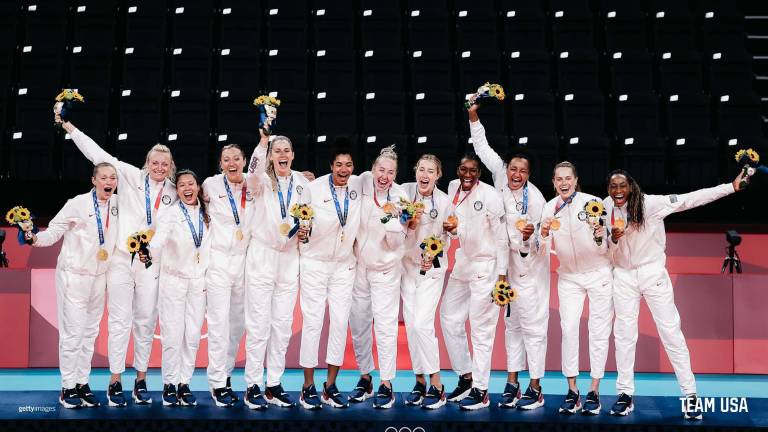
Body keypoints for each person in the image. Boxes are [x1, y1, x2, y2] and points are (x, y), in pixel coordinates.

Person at [604, 169, 745, 420]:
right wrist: (611, 240)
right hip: (623, 277)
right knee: (624, 336)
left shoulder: (651, 204)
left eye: (621, 186)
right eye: (612, 186)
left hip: (652, 274)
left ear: (631, 186)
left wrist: (731, 187)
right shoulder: (604, 208)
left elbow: (690, 198)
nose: (617, 191)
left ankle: (690, 396)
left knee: (671, 334)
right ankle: (625, 395)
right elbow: (601, 246)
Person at [60, 115, 176, 407]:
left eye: (165, 163)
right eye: (155, 162)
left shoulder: (175, 193)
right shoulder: (128, 176)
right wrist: (71, 128)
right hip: (122, 261)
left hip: (151, 264)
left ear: (170, 167)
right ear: (147, 163)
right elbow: (97, 154)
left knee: (146, 322)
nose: (159, 167)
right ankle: (115, 381)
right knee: (119, 322)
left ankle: (141, 380)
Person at [468, 104, 549, 410]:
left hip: (531, 271)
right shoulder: (500, 176)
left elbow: (543, 242)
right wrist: (474, 115)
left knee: (533, 327)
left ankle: (536, 386)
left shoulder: (538, 199)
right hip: (503, 269)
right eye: (513, 169)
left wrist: (530, 239)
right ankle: (512, 382)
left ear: (529, 175)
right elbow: (481, 145)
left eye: (522, 171)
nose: (515, 175)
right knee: (511, 325)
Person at [25, 163, 119, 408]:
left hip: (99, 277)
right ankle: (67, 386)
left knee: (90, 334)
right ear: (94, 181)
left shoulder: (118, 205)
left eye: (113, 178)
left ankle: (81, 382)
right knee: (73, 333)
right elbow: (52, 233)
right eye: (104, 177)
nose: (109, 182)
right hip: (73, 276)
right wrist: (32, 236)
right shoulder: (76, 203)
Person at [241, 132, 310, 409]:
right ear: (271, 156)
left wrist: (307, 230)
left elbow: (310, 214)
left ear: (293, 155)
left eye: (286, 150)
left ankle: (274, 384)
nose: (282, 154)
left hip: (289, 258)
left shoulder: (304, 184)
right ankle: (252, 385)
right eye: (276, 150)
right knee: (258, 326)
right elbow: (252, 170)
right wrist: (261, 143)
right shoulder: (260, 181)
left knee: (282, 326)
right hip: (263, 256)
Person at [537, 161, 612, 415]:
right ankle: (572, 390)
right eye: (559, 179)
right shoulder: (549, 208)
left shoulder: (593, 203)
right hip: (568, 276)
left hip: (598, 273)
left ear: (576, 180)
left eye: (568, 178)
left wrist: (599, 232)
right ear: (554, 182)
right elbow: (542, 249)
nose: (564, 183)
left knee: (598, 331)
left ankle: (594, 390)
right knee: (568, 330)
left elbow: (604, 247)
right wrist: (544, 234)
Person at [298, 140, 364, 410]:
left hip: (344, 266)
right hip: (314, 263)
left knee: (339, 323)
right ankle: (307, 387)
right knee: (313, 322)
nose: (344, 169)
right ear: (330, 166)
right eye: (339, 164)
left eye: (348, 165)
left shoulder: (360, 186)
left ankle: (330, 385)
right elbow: (295, 213)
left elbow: (387, 183)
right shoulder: (312, 189)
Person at [440, 154, 508, 410]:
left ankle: (481, 390)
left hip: (486, 266)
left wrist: (502, 276)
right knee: (449, 317)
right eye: (463, 169)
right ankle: (466, 377)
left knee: (481, 329)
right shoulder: (452, 187)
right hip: (463, 262)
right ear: (457, 169)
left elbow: (501, 238)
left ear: (479, 173)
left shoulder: (491, 196)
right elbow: (457, 224)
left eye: (473, 171)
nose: (467, 174)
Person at [141, 170, 211, 407]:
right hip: (173, 281)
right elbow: (160, 238)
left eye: (191, 183)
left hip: (199, 282)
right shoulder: (169, 213)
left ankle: (185, 384)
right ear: (177, 190)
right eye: (182, 185)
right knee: (172, 335)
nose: (187, 188)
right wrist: (147, 249)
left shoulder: (208, 213)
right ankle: (169, 385)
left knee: (192, 336)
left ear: (198, 186)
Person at [348, 145, 409, 409]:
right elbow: (334, 180)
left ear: (396, 174)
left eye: (391, 172)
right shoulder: (361, 181)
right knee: (359, 324)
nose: (385, 176)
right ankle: (365, 377)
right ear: (372, 169)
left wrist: (392, 220)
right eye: (381, 170)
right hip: (359, 267)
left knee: (385, 328)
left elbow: (397, 243)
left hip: (386, 270)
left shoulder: (401, 197)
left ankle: (386, 383)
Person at [201, 144, 254, 406]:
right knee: (219, 325)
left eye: (236, 158)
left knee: (237, 326)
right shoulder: (210, 185)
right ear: (220, 163)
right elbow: (186, 195)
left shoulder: (256, 185)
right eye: (226, 159)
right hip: (219, 261)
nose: (231, 163)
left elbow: (284, 180)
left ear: (245, 161)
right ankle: (217, 383)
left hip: (245, 262)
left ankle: (227, 374)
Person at [399, 155, 451, 410]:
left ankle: (437, 385)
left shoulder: (444, 202)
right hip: (407, 267)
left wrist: (434, 253)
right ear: (415, 171)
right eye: (421, 169)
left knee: (422, 324)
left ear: (438, 175)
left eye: (431, 171)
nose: (425, 174)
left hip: (432, 271)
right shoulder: (405, 192)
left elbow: (448, 236)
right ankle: (419, 382)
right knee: (411, 327)